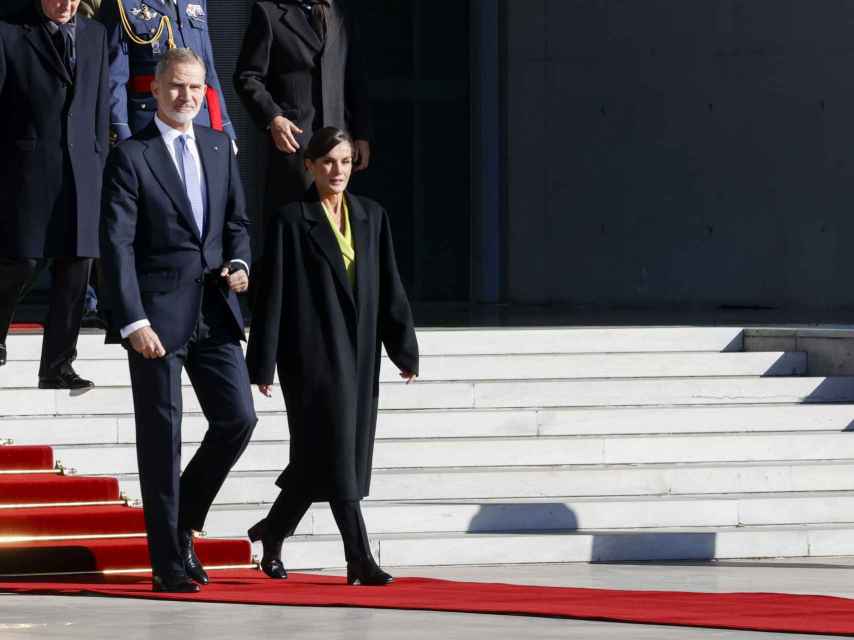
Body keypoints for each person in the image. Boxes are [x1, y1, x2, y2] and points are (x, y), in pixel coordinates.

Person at [100, 47, 256, 593]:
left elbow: (235, 222)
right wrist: (131, 319)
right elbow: (116, 245)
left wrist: (240, 263)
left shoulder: (218, 146)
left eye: (195, 88)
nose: (187, 97)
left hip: (215, 311)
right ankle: (167, 561)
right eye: (176, 88)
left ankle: (182, 522)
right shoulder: (133, 155)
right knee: (162, 439)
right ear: (155, 90)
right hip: (156, 321)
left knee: (238, 419)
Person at [245, 127, 418, 586]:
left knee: (321, 459)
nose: (337, 170)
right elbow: (272, 296)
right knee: (337, 453)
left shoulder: (371, 216)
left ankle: (273, 532)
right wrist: (261, 362)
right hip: (310, 358)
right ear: (309, 166)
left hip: (359, 355)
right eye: (326, 162)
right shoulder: (290, 220)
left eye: (343, 162)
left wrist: (403, 348)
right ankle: (358, 557)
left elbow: (389, 287)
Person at [0, 0, 109, 387]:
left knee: (76, 265)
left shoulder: (96, 34)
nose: (65, 4)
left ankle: (57, 366)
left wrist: (99, 161)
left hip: (83, 170)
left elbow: (98, 105)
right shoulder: (9, 31)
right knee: (22, 261)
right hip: (27, 168)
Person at [233, 0, 371, 216]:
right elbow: (248, 77)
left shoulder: (341, 11)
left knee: (334, 224)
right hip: (295, 145)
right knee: (294, 223)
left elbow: (355, 78)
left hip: (339, 144)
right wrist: (274, 118)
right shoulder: (268, 11)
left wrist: (362, 133)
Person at [99, 0, 236, 145]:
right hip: (151, 125)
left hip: (199, 121)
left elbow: (208, 70)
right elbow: (114, 78)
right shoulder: (122, 3)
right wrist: (123, 134)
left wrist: (226, 129)